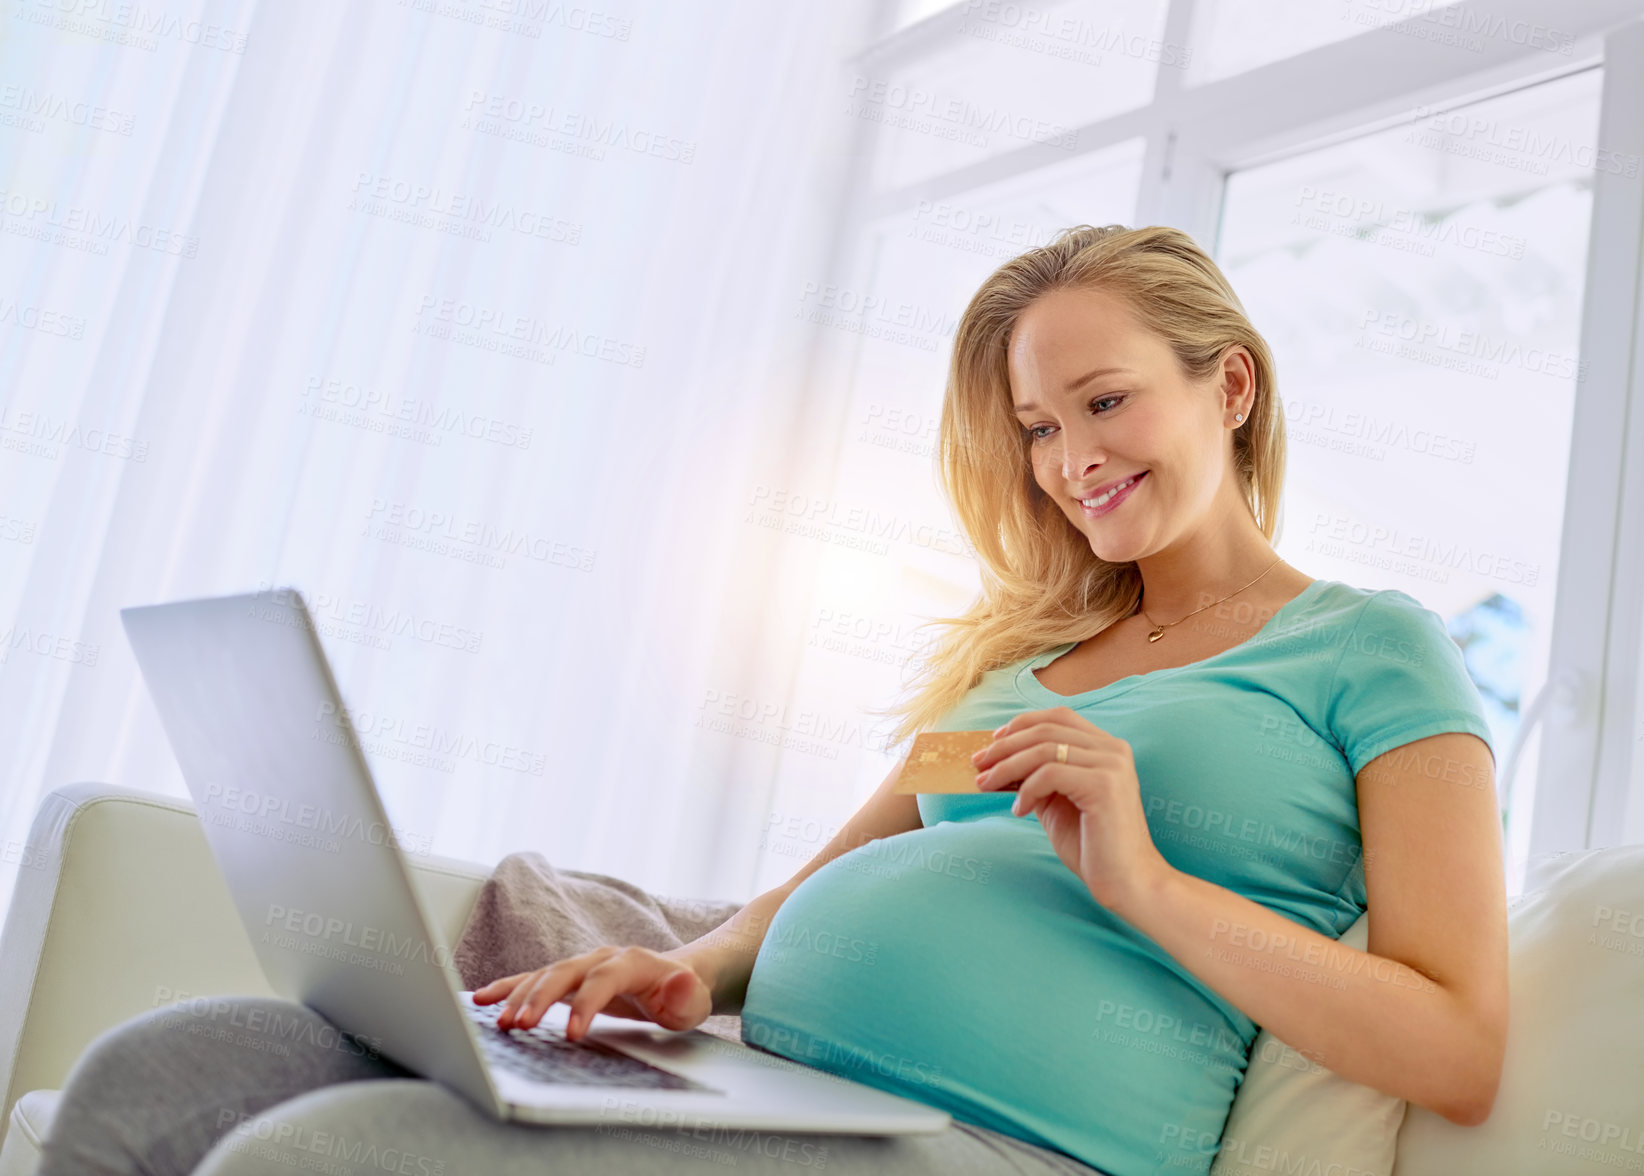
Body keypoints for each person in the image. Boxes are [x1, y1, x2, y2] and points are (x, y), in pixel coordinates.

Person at [39, 224, 1507, 1176]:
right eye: (1041, 426)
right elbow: (812, 885)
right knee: (161, 1074)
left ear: (1230, 386)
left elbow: (1457, 1046)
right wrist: (693, 973)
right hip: (766, 1079)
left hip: (999, 1143)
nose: (1070, 460)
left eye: (1106, 401)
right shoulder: (1021, 660)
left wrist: (1149, 885)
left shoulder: (1370, 650)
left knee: (323, 1157)